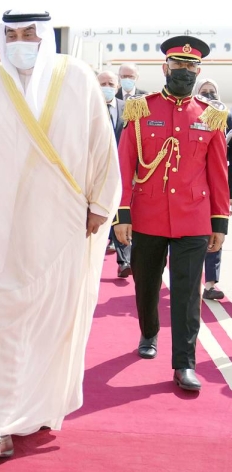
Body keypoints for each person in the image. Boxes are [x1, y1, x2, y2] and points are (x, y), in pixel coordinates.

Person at [0, 9, 121, 459]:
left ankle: (37, 409)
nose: (22, 41)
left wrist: (101, 206)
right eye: (13, 34)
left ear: (45, 36)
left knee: (50, 323)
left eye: (30, 33)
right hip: (0, 226)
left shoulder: (78, 78)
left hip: (61, 223)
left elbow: (102, 145)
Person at [114, 36, 229, 391]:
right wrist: (123, 215)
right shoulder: (140, 109)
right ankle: (149, 332)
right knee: (146, 283)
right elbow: (124, 165)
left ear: (198, 71)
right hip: (148, 215)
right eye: (177, 66)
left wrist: (219, 223)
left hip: (193, 218)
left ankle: (184, 363)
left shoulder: (210, 116)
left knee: (186, 292)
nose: (184, 72)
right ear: (165, 68)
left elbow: (218, 174)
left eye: (190, 67)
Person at [192, 78, 232, 300]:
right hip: (194, 190)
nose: (209, 95)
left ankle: (210, 284)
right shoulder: (192, 117)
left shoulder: (228, 118)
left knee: (217, 232)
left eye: (212, 92)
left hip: (218, 189)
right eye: (204, 92)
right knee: (191, 238)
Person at [97, 70, 132, 278]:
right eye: (102, 83)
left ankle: (124, 260)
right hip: (97, 172)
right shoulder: (87, 109)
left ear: (117, 87)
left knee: (120, 214)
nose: (107, 87)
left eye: (111, 83)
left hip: (121, 171)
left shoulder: (126, 108)